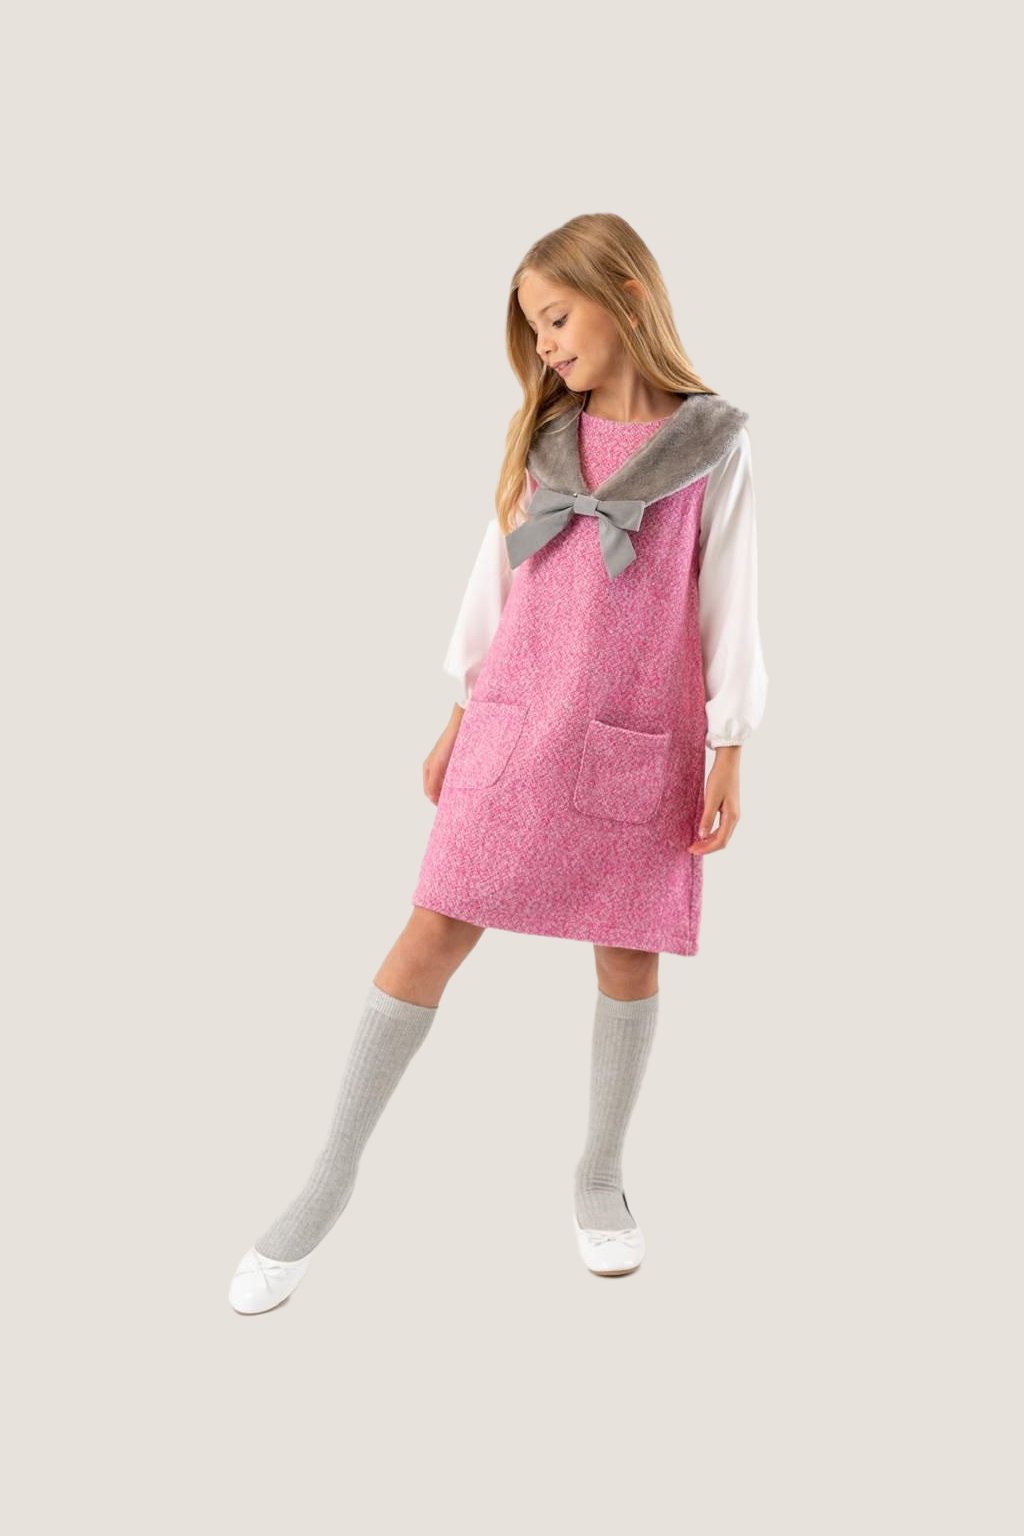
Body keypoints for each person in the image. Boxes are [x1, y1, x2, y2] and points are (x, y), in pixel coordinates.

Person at [228, 212, 768, 1314]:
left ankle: (601, 1174)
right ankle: (327, 1181)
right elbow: (495, 579)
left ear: (626, 292)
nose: (546, 345)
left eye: (556, 318)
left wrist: (729, 741)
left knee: (627, 949)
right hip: (517, 721)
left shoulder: (714, 443)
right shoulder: (545, 436)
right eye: (534, 330)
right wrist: (459, 708)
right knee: (432, 926)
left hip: (638, 734)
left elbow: (730, 598)